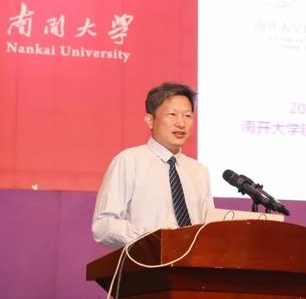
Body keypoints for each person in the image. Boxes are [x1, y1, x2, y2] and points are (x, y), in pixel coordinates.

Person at [92, 82, 214, 248]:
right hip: (145, 260)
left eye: (187, 116)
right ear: (150, 120)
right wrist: (153, 238)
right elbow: (103, 225)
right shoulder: (129, 161)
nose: (181, 123)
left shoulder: (199, 171)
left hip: (190, 262)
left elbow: (207, 229)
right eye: (172, 114)